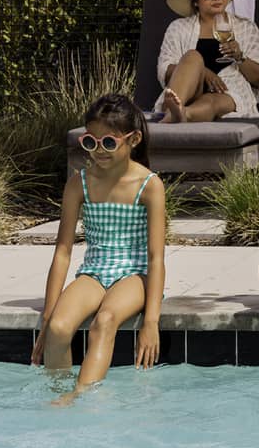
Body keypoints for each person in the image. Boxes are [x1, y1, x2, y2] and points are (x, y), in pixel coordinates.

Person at [32, 94, 166, 404]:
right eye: (91, 143)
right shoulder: (79, 183)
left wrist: (151, 322)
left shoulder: (149, 185)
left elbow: (156, 257)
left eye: (108, 143)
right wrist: (48, 318)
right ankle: (57, 395)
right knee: (61, 327)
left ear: (133, 140)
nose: (99, 152)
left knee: (105, 321)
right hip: (94, 270)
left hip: (135, 274)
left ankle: (80, 395)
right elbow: (63, 251)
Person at [157, 0, 259, 122]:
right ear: (196, 0)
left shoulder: (246, 28)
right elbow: (165, 69)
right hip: (188, 90)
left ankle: (178, 116)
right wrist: (202, 72)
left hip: (228, 91)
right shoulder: (178, 28)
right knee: (192, 57)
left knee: (212, 100)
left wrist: (240, 57)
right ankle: (177, 111)